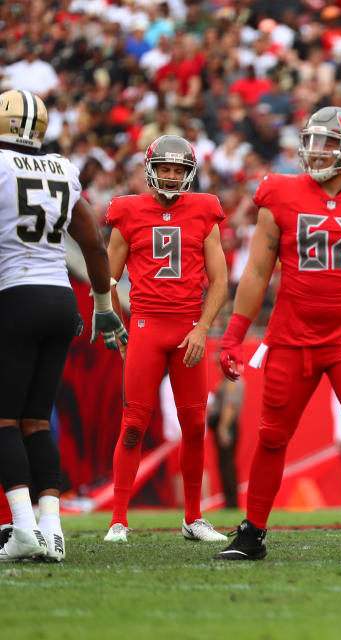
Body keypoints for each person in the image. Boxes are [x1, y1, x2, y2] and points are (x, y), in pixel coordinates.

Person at [215, 107, 341, 561]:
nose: (316, 151)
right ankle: (252, 532)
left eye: (327, 142)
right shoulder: (282, 193)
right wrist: (232, 335)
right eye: (311, 140)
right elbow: (256, 272)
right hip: (291, 336)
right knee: (272, 435)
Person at [0, 89, 126, 562]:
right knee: (36, 421)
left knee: (4, 420)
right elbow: (93, 245)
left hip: (15, 295)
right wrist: (102, 302)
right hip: (60, 300)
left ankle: (24, 528)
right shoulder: (61, 168)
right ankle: (52, 531)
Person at [103, 134, 229, 544]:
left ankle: (193, 518)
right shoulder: (128, 211)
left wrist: (201, 327)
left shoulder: (205, 211)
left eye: (178, 170)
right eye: (165, 169)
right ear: (150, 169)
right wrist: (111, 318)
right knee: (134, 425)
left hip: (188, 329)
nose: (172, 177)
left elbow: (221, 280)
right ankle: (118, 520)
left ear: (189, 173)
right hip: (145, 328)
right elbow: (108, 277)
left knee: (195, 427)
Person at [206, 378, 243, 509]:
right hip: (224, 426)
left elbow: (230, 407)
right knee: (225, 465)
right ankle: (229, 502)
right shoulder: (225, 382)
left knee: (227, 465)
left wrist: (222, 428)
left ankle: (232, 503)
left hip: (226, 426)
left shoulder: (231, 382)